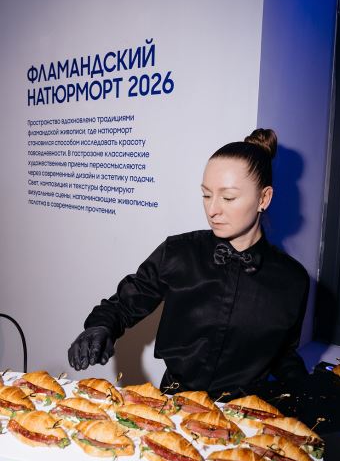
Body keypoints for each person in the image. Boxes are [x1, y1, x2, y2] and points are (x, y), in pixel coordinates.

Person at [68, 128, 309, 393]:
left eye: (228, 197)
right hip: (174, 404)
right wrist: (100, 327)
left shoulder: (292, 280)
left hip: (244, 411)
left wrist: (307, 391)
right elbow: (124, 304)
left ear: (264, 198)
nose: (212, 209)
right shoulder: (178, 252)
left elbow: (283, 355)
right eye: (206, 195)